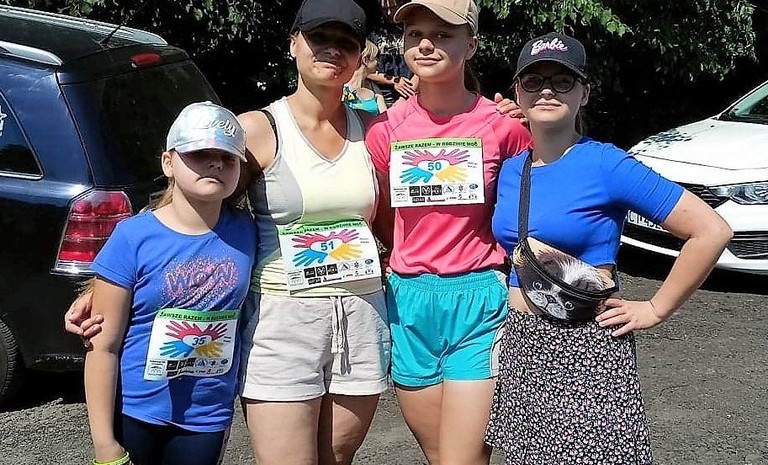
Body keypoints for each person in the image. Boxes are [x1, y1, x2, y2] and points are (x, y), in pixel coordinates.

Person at [484, 32, 733, 464]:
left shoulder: (606, 163)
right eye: (534, 80)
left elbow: (710, 231)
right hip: (522, 345)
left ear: (584, 94)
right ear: (517, 93)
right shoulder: (511, 169)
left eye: (563, 81)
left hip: (587, 349)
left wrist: (655, 309)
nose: (547, 91)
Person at [364, 1, 531, 464]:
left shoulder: (504, 128)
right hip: (407, 301)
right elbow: (382, 212)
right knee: (440, 455)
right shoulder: (384, 130)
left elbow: (525, 209)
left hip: (479, 300)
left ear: (471, 45)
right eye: (415, 34)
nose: (425, 44)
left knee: (465, 457)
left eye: (443, 35)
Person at [84, 101, 256, 465]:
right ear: (168, 163)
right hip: (136, 409)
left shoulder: (250, 232)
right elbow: (103, 346)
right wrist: (103, 443)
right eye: (199, 154)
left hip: (207, 416)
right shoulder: (132, 237)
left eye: (227, 158)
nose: (215, 164)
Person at [343, 40, 388, 115]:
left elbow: (385, 117)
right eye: (376, 58)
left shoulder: (374, 89)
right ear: (365, 60)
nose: (378, 62)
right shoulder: (341, 86)